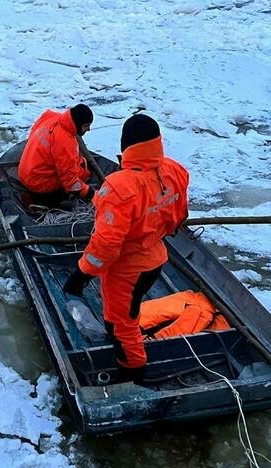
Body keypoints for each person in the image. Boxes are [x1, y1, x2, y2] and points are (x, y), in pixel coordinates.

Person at [62, 114, 189, 384]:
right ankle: (131, 350)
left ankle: (133, 372)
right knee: (129, 313)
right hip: (156, 259)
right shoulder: (174, 170)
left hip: (127, 272)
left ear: (127, 147)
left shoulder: (119, 188)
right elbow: (178, 216)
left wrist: (81, 275)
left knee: (121, 325)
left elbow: (106, 246)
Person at [18, 104, 95, 205]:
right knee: (83, 172)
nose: (88, 129)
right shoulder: (65, 142)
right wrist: (91, 194)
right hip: (38, 184)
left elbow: (33, 132)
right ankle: (42, 202)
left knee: (78, 165)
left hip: (24, 173)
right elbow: (71, 183)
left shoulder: (51, 116)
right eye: (86, 126)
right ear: (77, 123)